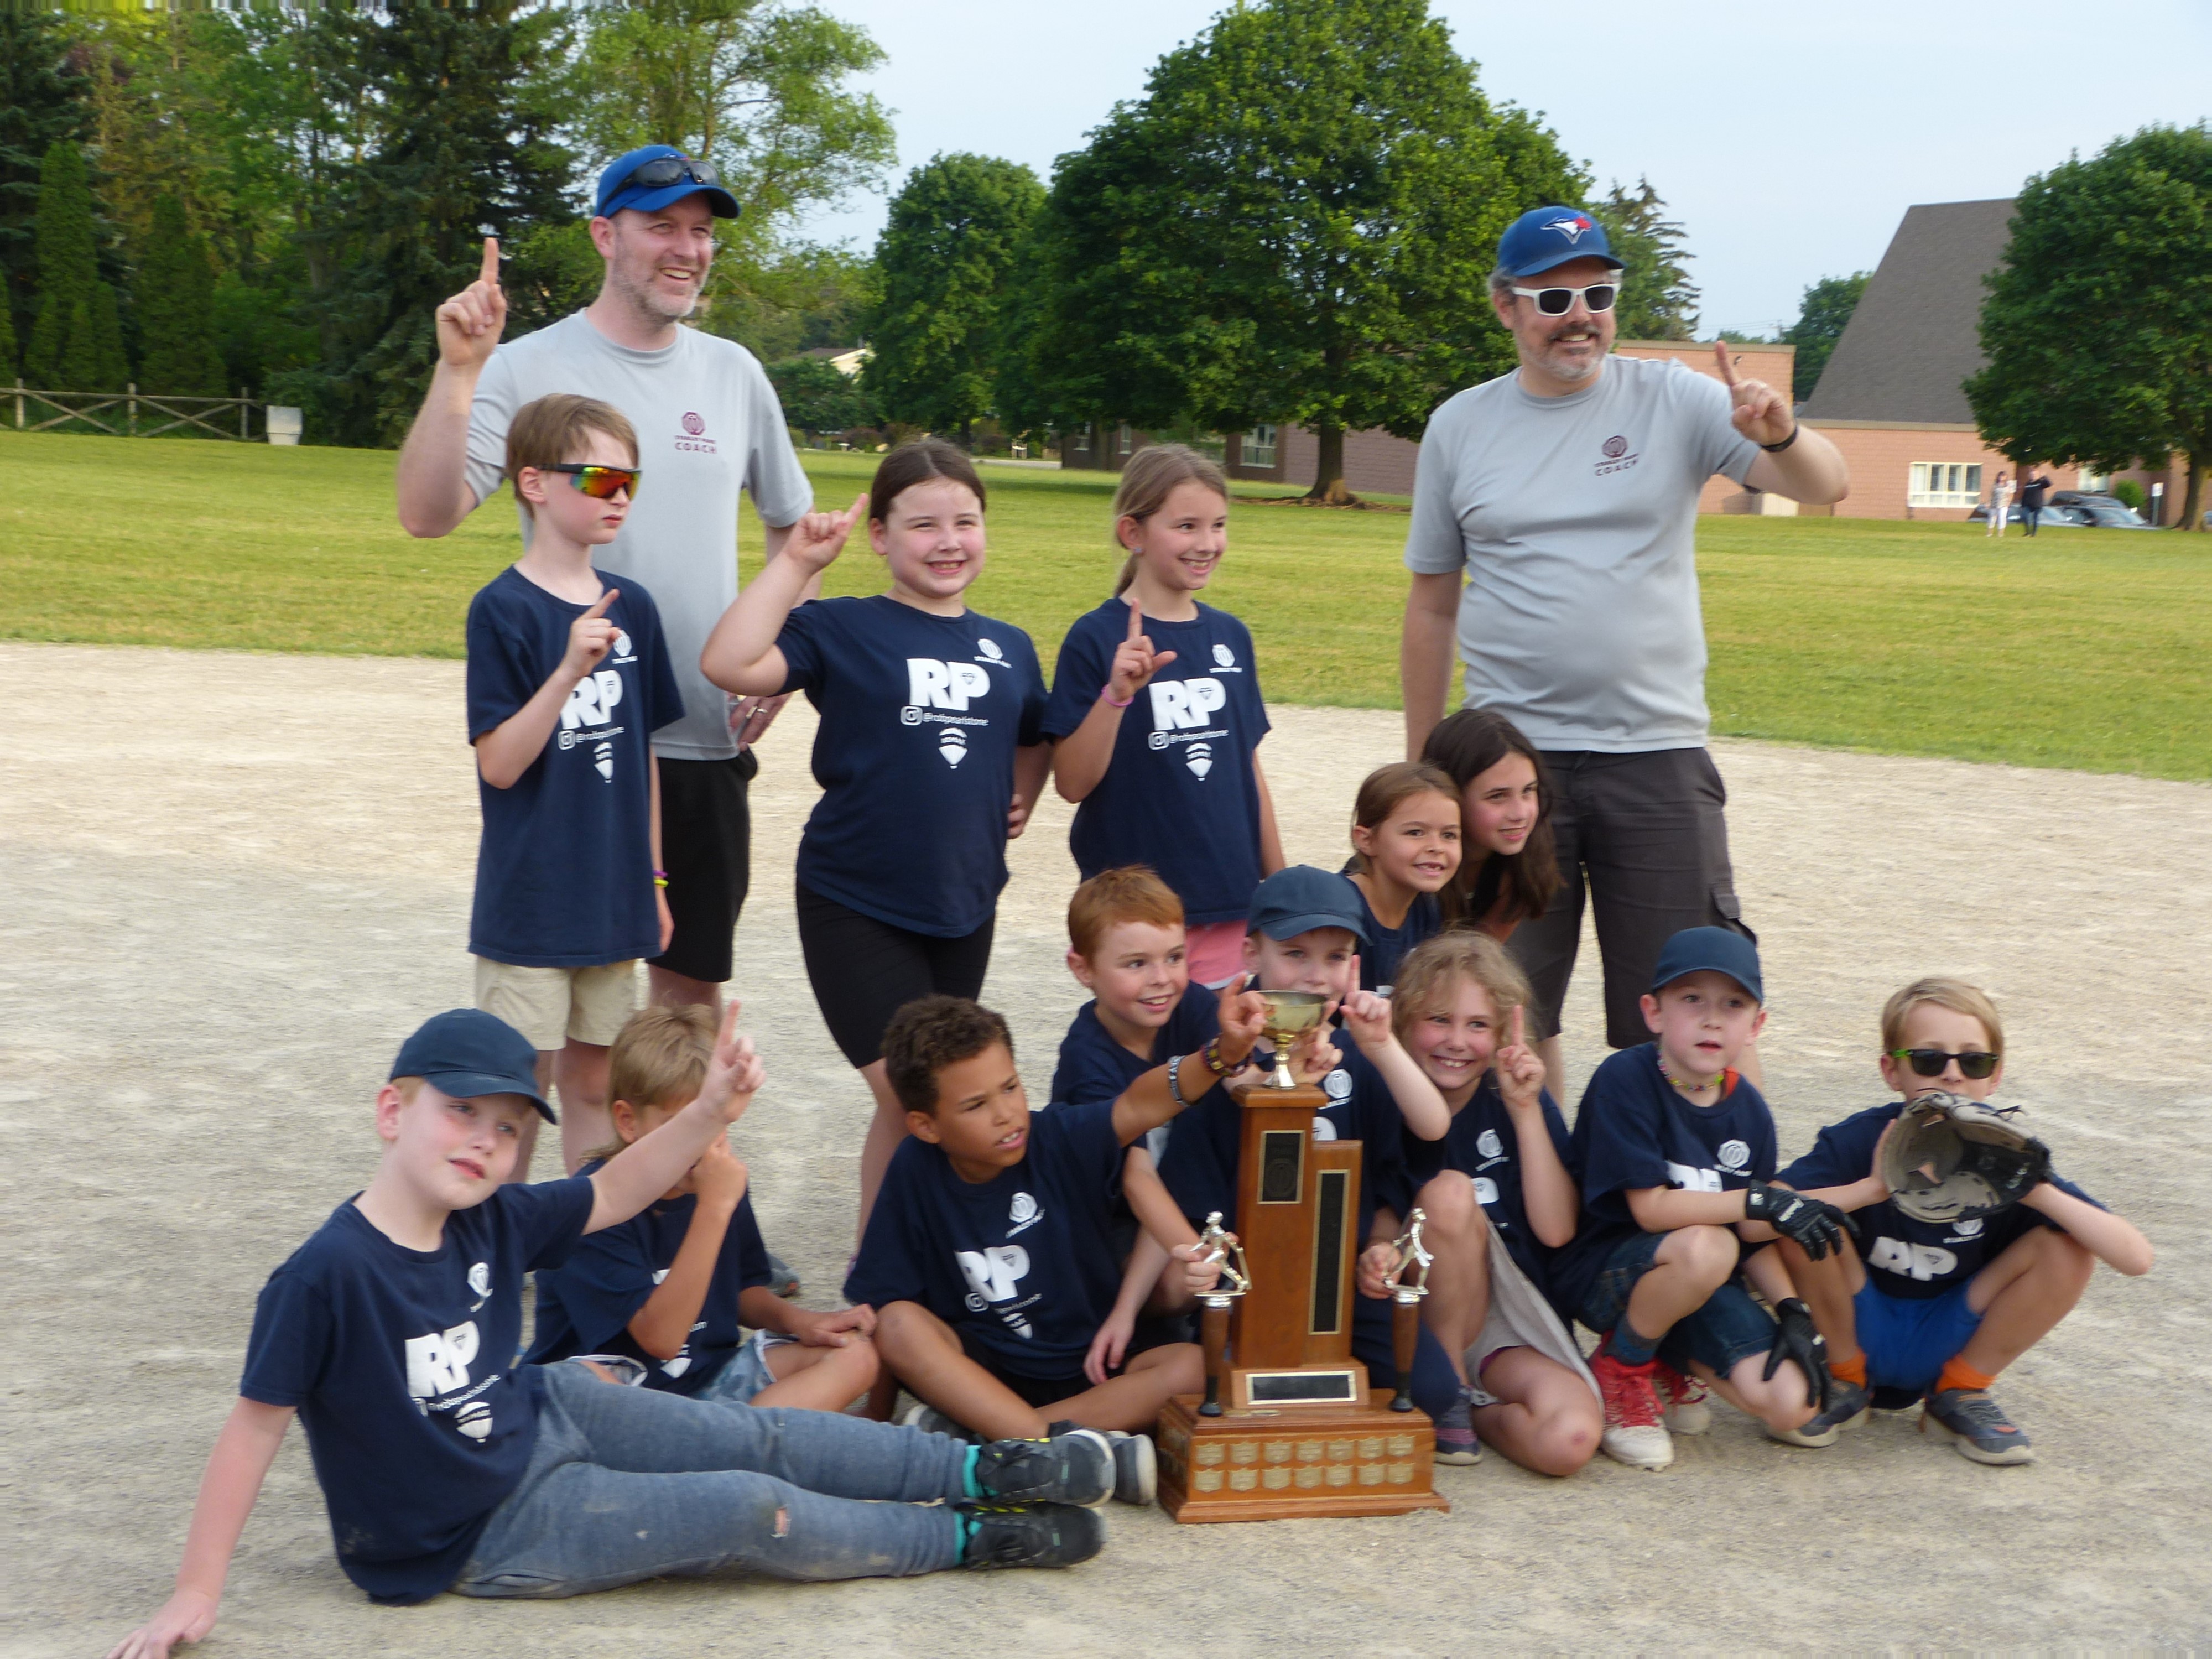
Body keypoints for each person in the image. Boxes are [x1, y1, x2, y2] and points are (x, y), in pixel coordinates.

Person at [105, 1007, 1119, 1657]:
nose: (486, 1141)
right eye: (462, 1112)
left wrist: (713, 1104)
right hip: (474, 1530)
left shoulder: (494, 1217)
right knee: (748, 1506)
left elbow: (620, 1178)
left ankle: (1002, 1467)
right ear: (389, 1110)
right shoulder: (324, 1274)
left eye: (509, 1127)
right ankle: (967, 1534)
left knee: (756, 1436)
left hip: (549, 1411)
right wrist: (197, 1588)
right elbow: (252, 1425)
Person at [1400, 205, 1849, 1083]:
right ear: (1504, 306)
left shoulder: (1674, 398)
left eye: (1597, 293)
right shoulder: (1459, 424)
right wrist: (1425, 767)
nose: (1580, 314)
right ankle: (1530, 1203)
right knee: (1500, 1006)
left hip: (1656, 753)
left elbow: (1824, 485)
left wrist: (1779, 432)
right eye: (1554, 295)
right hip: (1509, 759)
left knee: (1699, 1005)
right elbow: (1430, 604)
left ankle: (1729, 1199)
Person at [397, 146, 814, 1026]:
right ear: (603, 234)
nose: (687, 249)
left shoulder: (734, 372)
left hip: (699, 729)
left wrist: (786, 655)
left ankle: (671, 1165)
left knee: (686, 989)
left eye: (700, 232)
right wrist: (459, 371)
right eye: (661, 225)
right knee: (559, 1004)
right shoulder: (521, 366)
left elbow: (791, 526)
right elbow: (428, 512)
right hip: (576, 737)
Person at [699, 441, 1050, 1234]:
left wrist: (1019, 793)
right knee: (912, 1092)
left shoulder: (1009, 645)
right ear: (881, 537)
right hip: (855, 897)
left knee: (928, 1098)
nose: (948, 539)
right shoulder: (844, 626)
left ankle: (884, 1265)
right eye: (922, 524)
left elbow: (1038, 728)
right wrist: (796, 562)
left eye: (965, 520)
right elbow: (728, 659)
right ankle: (893, 1271)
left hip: (963, 902)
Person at [845, 993, 1266, 1492]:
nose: (1006, 1114)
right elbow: (885, 1298)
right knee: (896, 1323)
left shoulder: (1057, 1136)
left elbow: (1139, 1103)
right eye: (976, 1104)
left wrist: (1219, 1055)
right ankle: (1060, 1450)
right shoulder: (913, 1170)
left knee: (1196, 1366)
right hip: (982, 1372)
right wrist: (876, 1412)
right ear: (925, 1125)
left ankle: (1004, 1444)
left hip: (1092, 1366)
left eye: (1010, 1087)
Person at [1754, 978, 2152, 1464]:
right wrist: (1871, 1189)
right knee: (1807, 1218)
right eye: (1927, 1059)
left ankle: (1960, 1392)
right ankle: (1845, 1378)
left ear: (1994, 1076)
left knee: (2066, 1246)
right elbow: (1756, 1221)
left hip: (1950, 1335)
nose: (1951, 1075)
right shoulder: (1861, 1139)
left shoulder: (2010, 1160)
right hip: (1855, 1324)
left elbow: (2134, 1258)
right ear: (1890, 1070)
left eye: (1972, 1060)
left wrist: (2036, 1189)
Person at [1149, 867, 1465, 1445]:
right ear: (1251, 952)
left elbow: (1430, 1128)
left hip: (1343, 1284)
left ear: (1356, 966)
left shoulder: (1359, 1059)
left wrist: (1382, 1044)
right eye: (1295, 954)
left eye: (1336, 956)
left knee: (1433, 1391)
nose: (1316, 976)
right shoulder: (1224, 1067)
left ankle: (1329, 1376)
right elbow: (1187, 1207)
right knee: (1220, 1399)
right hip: (1247, 1285)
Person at [466, 394, 681, 1173]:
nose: (617, 494)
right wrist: (565, 671)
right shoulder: (503, 610)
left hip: (612, 892)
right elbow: (500, 762)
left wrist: (653, 880)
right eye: (596, 477)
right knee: (516, 1090)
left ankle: (580, 1249)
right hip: (532, 896)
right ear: (532, 483)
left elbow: (643, 756)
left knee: (596, 1081)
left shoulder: (636, 609)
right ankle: (500, 1245)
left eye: (629, 480)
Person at [1547, 928, 1841, 1470]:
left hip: (1696, 1279)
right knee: (1707, 1248)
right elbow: (1651, 1210)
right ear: (1653, 1012)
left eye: (1733, 1004)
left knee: (1794, 1401)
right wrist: (1759, 1201)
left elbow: (1753, 1235)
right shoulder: (1626, 1078)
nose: (1712, 1018)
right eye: (1691, 1000)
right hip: (1605, 1272)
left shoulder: (1749, 1109)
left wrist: (1791, 1308)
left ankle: (1663, 1354)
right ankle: (1621, 1369)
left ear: (1756, 1026)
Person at [527, 1005, 882, 1413]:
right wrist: (713, 1208)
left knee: (855, 1354)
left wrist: (800, 1321)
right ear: (628, 1121)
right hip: (620, 1402)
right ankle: (740, 1454)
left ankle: (733, 1452)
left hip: (708, 1381)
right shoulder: (589, 1207)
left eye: (713, 1122)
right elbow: (661, 1339)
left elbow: (741, 1291)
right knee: (597, 1387)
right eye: (682, 1125)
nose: (700, 1145)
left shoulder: (720, 1178)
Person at [1044, 444, 1284, 985]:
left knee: (1224, 1059)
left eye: (1218, 525)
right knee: (1147, 1064)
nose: (1207, 543)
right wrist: (1117, 694)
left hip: (1229, 902)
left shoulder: (1230, 637)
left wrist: (1278, 885)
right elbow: (1072, 782)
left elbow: (1247, 770)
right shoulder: (1095, 638)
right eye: (1187, 526)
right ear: (1134, 533)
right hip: (1135, 917)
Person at [1391, 933, 1603, 1475]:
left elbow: (1556, 1231)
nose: (1457, 1040)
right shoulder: (1382, 1093)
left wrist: (1528, 1108)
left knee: (1570, 1438)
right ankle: (1447, 1392)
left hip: (1500, 1315)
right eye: (1438, 1018)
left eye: (1478, 1024)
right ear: (1404, 1020)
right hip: (1413, 1307)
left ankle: (1476, 1412)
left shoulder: (1508, 1095)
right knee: (1450, 1191)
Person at [1342, 761, 1462, 995]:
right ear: (1366, 840)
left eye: (1449, 835)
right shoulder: (1339, 910)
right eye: (1415, 833)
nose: (1436, 847)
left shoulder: (1427, 908)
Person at [2018, 469, 2050, 535]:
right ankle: (2028, 532)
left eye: (2035, 475)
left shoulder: (2040, 483)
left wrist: (2044, 477)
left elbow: (2049, 484)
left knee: (2035, 519)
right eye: (2032, 475)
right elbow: (2024, 495)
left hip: (2037, 505)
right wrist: (2022, 505)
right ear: (2029, 476)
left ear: (2038, 475)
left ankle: (2034, 533)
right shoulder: (2028, 484)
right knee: (2025, 517)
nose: (2033, 476)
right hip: (2028, 505)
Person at [1985, 470, 2012, 538]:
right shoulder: (1995, 485)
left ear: (2005, 477)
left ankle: (2001, 533)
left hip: (2003, 504)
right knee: (1992, 518)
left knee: (2002, 518)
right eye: (2000, 476)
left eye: (2003, 476)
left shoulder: (2007, 486)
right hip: (1994, 504)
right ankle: (1989, 533)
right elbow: (1991, 494)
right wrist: (1988, 502)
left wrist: (2008, 503)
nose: (2001, 477)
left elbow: (2010, 495)